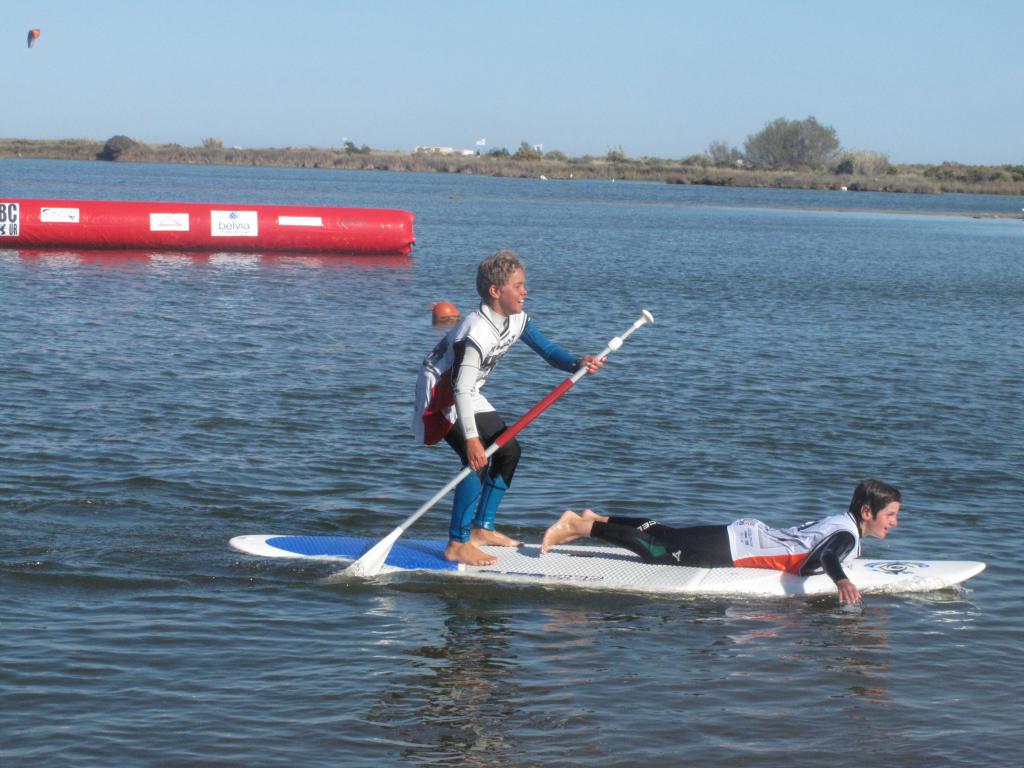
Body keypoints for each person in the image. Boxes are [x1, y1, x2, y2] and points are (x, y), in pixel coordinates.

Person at [414, 250, 605, 566]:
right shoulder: (475, 332)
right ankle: (456, 543)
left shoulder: (515, 319)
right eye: (518, 286)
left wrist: (577, 362)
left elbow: (547, 350)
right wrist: (473, 439)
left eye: (523, 285)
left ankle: (481, 528)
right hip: (441, 394)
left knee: (508, 451)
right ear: (495, 291)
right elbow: (458, 388)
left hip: (466, 389)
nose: (525, 292)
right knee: (475, 459)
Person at [540, 479, 902, 604]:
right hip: (733, 549)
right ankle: (579, 526)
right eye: (891, 516)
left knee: (664, 532)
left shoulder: (841, 521)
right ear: (867, 512)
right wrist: (841, 579)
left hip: (741, 534)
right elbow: (827, 556)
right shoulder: (846, 535)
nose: (895, 523)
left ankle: (597, 517)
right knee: (659, 552)